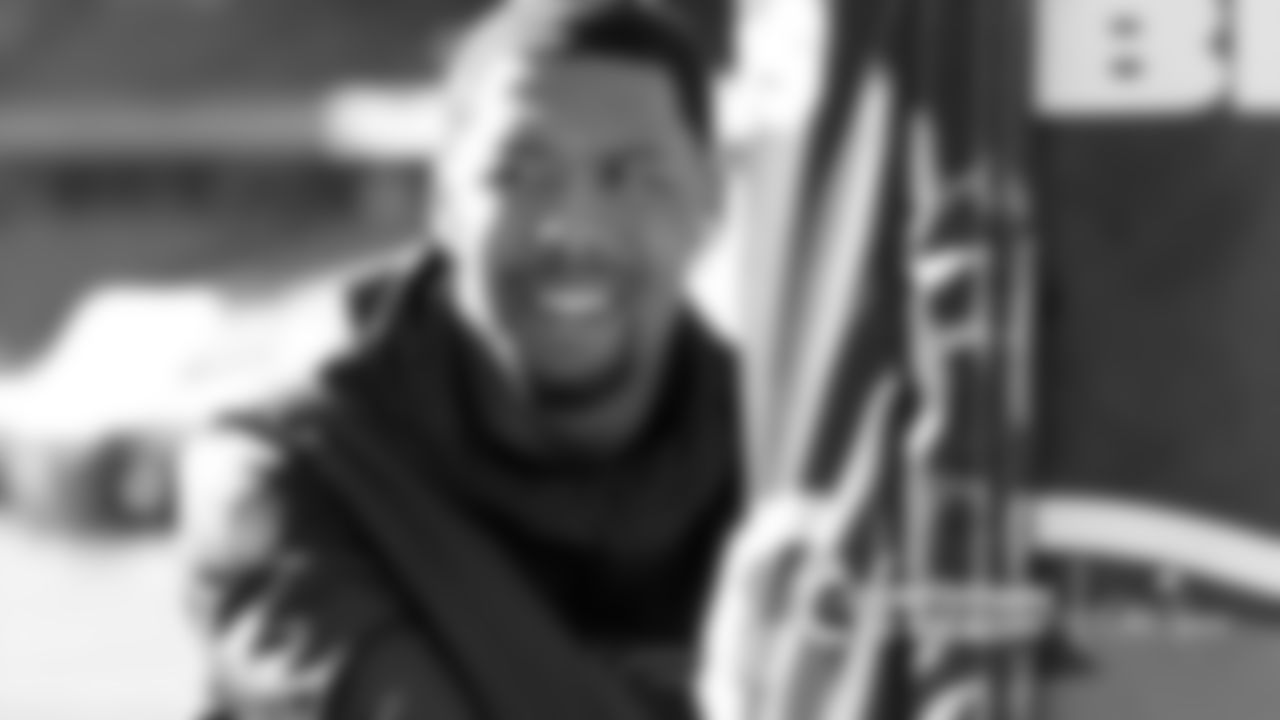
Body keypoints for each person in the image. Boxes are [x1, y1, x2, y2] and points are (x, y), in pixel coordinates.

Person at [180, 2, 742, 719]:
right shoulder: (294, 468)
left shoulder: (798, 469)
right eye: (520, 175)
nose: (574, 232)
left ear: (712, 199)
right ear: (443, 202)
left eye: (631, 177)